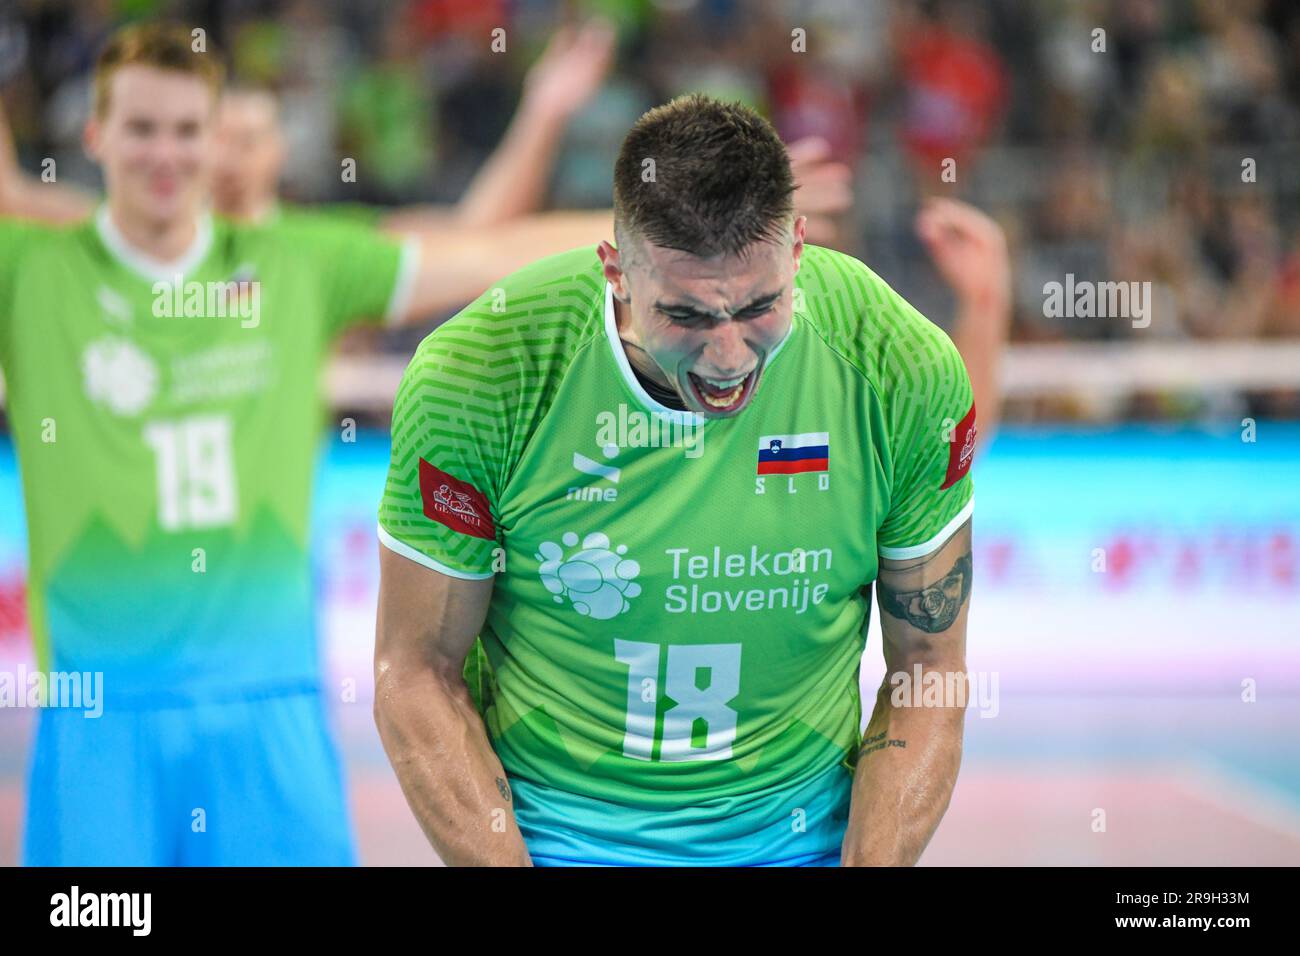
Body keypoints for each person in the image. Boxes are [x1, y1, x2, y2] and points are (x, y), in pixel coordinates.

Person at [374, 93, 976, 866]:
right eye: (688, 317)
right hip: (551, 846)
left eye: (759, 307)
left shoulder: (900, 366)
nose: (729, 358)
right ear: (616, 271)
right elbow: (416, 672)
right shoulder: (480, 375)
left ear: (798, 247)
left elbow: (930, 666)